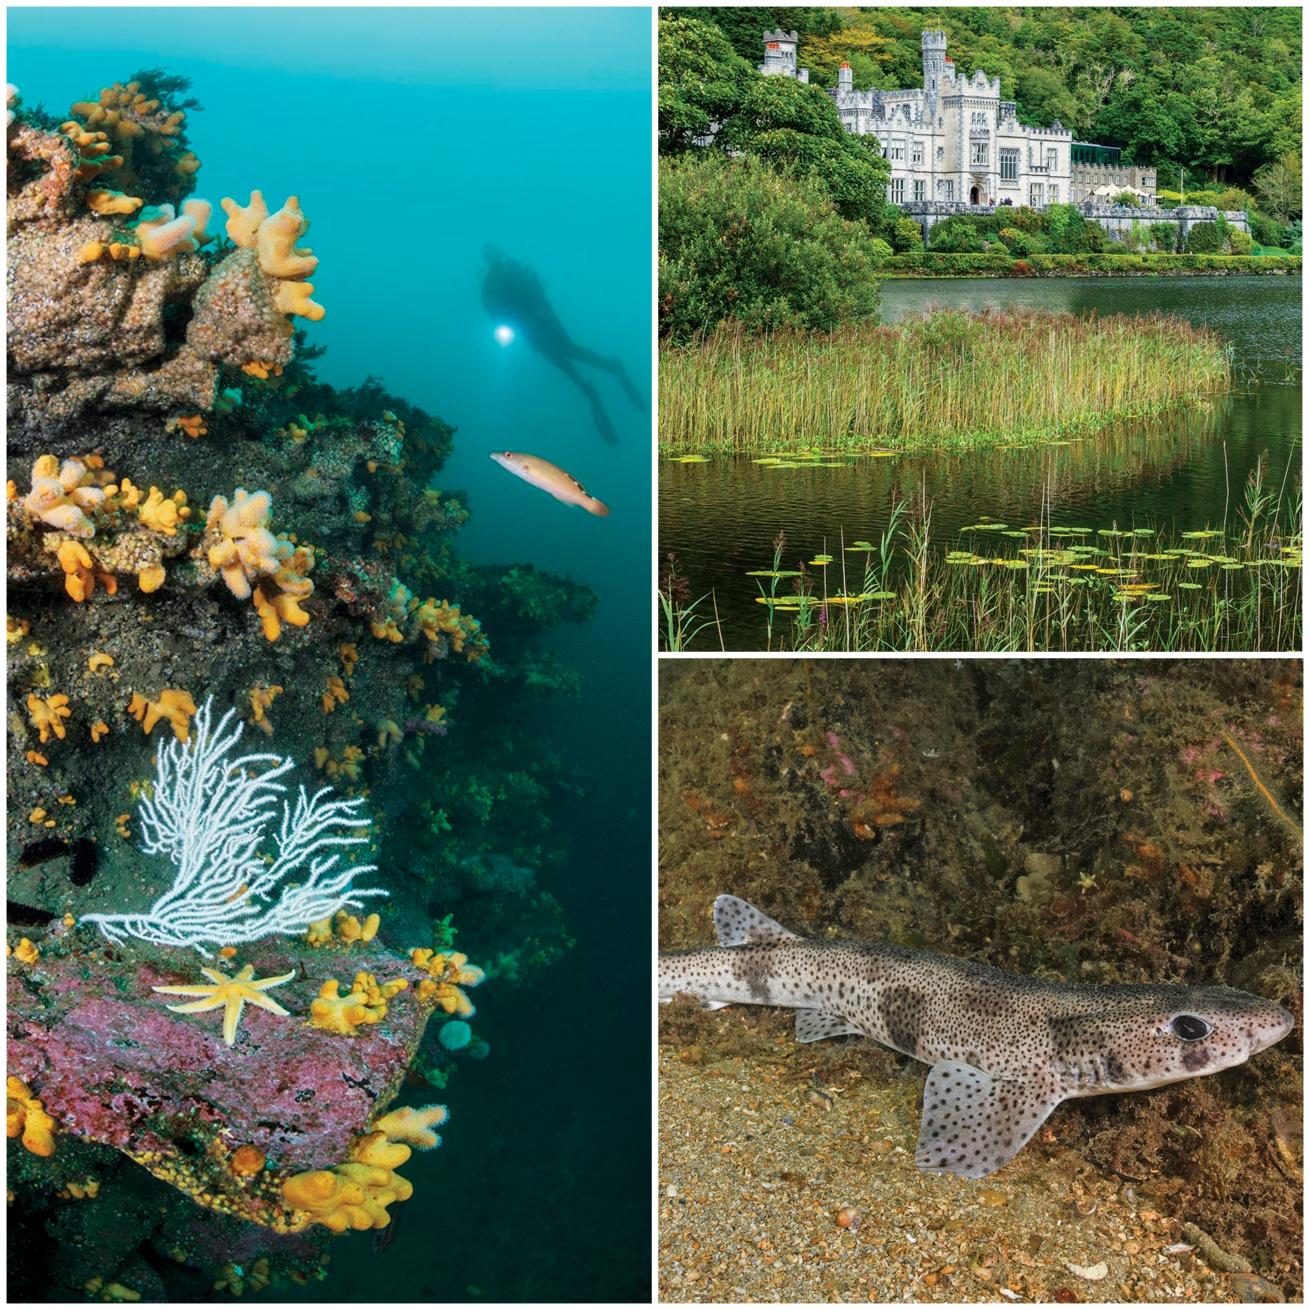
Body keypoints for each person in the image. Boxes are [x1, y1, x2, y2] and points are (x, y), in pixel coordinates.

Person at [481, 245, 643, 444]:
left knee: (568, 350)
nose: (494, 258)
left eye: (494, 253)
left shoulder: (516, 269)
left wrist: (535, 309)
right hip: (528, 329)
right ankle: (591, 384)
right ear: (487, 259)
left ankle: (611, 368)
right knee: (556, 357)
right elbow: (492, 312)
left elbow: (538, 289)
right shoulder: (491, 283)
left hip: (544, 320)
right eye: (490, 256)